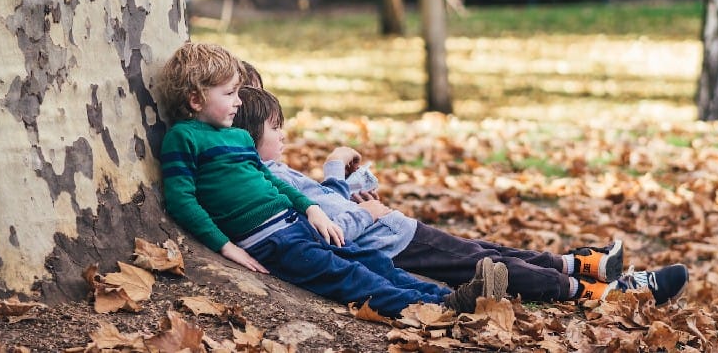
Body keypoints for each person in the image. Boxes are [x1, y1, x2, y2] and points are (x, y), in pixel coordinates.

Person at [232, 85, 691, 306]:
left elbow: (330, 207)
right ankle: (603, 293)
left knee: (488, 250)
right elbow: (332, 226)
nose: (285, 136)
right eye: (277, 129)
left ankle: (583, 263)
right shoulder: (266, 179)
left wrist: (352, 189)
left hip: (395, 230)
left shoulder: (270, 170)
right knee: (488, 266)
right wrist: (354, 196)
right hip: (391, 243)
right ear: (250, 136)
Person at [156, 42, 508, 317]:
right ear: (195, 98)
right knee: (348, 277)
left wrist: (312, 210)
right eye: (229, 93)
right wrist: (225, 246)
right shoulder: (184, 138)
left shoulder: (238, 137)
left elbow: (274, 183)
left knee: (371, 262)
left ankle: (450, 297)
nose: (238, 102)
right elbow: (182, 201)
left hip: (297, 223)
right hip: (271, 241)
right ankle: (431, 309)